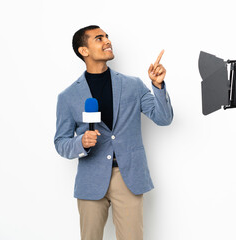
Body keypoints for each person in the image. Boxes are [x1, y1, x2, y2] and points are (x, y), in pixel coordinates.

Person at [54, 25, 173, 240]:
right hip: (91, 180)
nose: (107, 41)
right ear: (84, 51)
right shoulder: (68, 96)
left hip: (129, 178)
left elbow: (163, 119)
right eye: (99, 38)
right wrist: (81, 142)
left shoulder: (133, 85)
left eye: (107, 37)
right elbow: (61, 142)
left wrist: (158, 85)